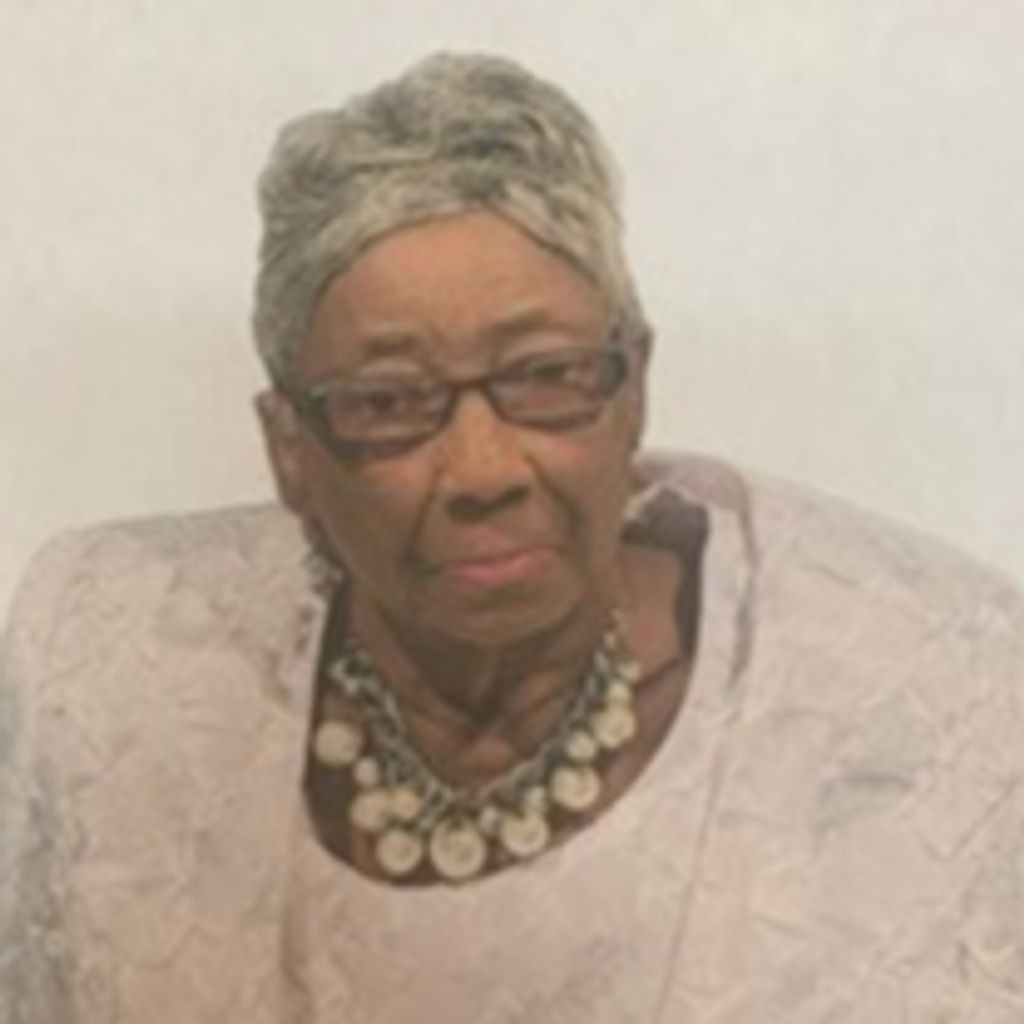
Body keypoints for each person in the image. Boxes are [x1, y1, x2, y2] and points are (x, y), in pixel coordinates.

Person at [2, 52, 1023, 1024]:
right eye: (390, 400)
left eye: (545, 376)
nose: (483, 470)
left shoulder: (933, 704)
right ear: (289, 450)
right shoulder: (109, 669)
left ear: (634, 386)